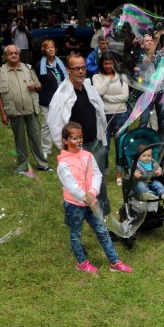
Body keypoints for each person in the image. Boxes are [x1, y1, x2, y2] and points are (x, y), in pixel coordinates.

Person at [56, 121, 133, 274]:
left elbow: (97, 174)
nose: (78, 141)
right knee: (76, 234)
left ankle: (114, 262)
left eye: (80, 137)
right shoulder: (63, 163)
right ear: (65, 141)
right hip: (74, 205)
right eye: (74, 138)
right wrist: (86, 197)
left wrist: (92, 191)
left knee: (102, 231)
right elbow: (71, 186)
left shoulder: (88, 156)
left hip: (92, 201)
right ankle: (82, 262)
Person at [48, 53, 110, 213]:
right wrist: (66, 149)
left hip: (95, 144)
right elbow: (55, 124)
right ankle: (82, 216)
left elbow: (100, 114)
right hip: (76, 150)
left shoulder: (89, 89)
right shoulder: (61, 95)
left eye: (83, 67)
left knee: (99, 182)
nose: (81, 71)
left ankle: (104, 217)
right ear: (68, 70)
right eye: (77, 68)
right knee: (79, 185)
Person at [0, 44, 52, 174]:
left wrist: (35, 86)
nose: (14, 55)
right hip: (14, 110)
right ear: (6, 56)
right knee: (19, 139)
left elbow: (39, 86)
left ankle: (42, 164)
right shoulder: (1, 71)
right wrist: (3, 114)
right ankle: (22, 166)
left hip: (30, 108)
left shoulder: (28, 68)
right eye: (11, 53)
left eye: (16, 53)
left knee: (36, 137)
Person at [92, 52, 130, 185]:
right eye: (105, 63)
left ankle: (120, 172)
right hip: (104, 115)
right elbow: (97, 92)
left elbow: (125, 96)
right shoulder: (96, 77)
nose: (108, 66)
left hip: (121, 114)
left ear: (114, 63)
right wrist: (107, 79)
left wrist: (107, 97)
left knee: (121, 144)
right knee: (104, 145)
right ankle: (104, 172)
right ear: (102, 64)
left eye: (110, 63)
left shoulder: (122, 77)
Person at [38, 40, 67, 159]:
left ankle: (63, 147)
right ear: (44, 50)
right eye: (48, 47)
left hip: (61, 99)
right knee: (46, 124)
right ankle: (46, 149)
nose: (51, 49)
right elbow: (38, 82)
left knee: (63, 123)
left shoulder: (60, 63)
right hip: (47, 99)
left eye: (52, 47)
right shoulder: (40, 65)